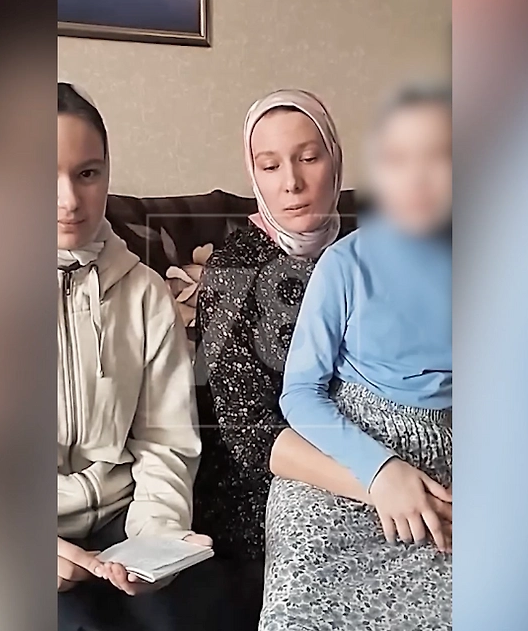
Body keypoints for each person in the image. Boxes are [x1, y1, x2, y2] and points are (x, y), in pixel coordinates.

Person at [259, 85, 453, 631]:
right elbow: (300, 393)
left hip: (446, 460)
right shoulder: (346, 264)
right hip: (344, 454)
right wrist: (378, 470)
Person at [193, 90, 371, 628]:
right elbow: (251, 434)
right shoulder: (235, 269)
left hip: (378, 448)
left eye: (308, 157)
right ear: (254, 175)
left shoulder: (373, 247)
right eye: (270, 166)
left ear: (335, 159)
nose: (291, 182)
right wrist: (377, 482)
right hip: (272, 480)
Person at [55, 82, 225, 631]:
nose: (69, 200)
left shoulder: (145, 291)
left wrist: (157, 538)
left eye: (87, 173)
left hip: (119, 515)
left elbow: (164, 438)